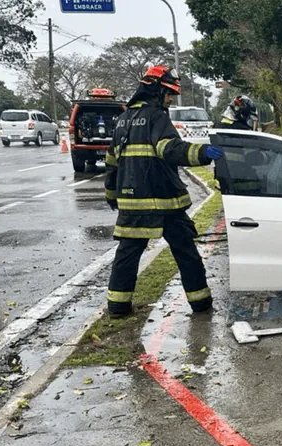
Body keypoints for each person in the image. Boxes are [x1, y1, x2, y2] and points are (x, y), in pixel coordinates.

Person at [104, 65, 224, 318]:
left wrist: (112, 195)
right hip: (163, 201)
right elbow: (169, 149)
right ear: (156, 90)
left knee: (127, 254)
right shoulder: (157, 117)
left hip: (131, 203)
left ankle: (117, 307)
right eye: (168, 93)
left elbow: (112, 161)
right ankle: (201, 303)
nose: (170, 98)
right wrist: (202, 153)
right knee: (185, 252)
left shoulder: (123, 119)